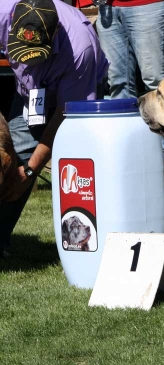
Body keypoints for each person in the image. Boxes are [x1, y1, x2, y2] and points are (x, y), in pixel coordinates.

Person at [0, 0, 109, 257]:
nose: (29, 62)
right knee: (13, 160)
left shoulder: (81, 48)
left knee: (74, 166)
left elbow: (65, 114)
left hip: (74, 98)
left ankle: (95, 241)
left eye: (36, 55)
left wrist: (30, 169)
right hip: (29, 94)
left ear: (56, 33)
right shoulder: (3, 11)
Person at [95, 0, 164, 173]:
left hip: (147, 5)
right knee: (117, 82)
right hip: (108, 8)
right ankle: (127, 151)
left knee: (155, 79)